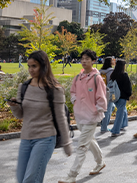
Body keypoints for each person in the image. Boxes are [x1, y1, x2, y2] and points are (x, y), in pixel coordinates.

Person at [8, 50, 72, 183]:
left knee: (30, 180)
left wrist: (66, 143)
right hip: (26, 138)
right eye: (29, 66)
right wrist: (14, 106)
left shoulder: (55, 89)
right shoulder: (23, 87)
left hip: (45, 138)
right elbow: (20, 115)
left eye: (34, 66)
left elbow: (61, 117)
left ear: (44, 66)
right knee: (21, 180)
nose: (30, 70)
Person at [59, 49, 107, 183]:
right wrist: (74, 100)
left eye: (87, 58)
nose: (84, 61)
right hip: (79, 115)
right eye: (82, 58)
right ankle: (100, 162)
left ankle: (72, 175)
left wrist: (98, 109)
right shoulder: (78, 77)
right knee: (90, 140)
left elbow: (101, 96)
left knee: (82, 145)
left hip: (91, 116)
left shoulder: (97, 78)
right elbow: (72, 90)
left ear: (93, 61)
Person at [110, 59, 132, 137]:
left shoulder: (113, 74)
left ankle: (123, 125)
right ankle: (115, 130)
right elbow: (128, 87)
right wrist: (128, 95)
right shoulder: (124, 75)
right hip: (122, 96)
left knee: (123, 111)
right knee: (120, 113)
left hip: (114, 96)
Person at [99, 57, 116, 133]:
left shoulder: (100, 71)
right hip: (110, 92)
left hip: (101, 92)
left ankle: (103, 123)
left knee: (109, 107)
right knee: (109, 109)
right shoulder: (112, 72)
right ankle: (104, 127)